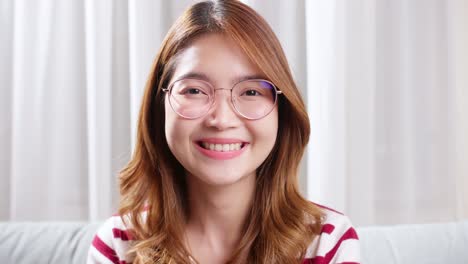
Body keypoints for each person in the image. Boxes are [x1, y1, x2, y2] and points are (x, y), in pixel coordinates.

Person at [87, 0, 360, 263]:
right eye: (194, 90)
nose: (221, 119)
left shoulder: (328, 242)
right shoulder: (118, 244)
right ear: (160, 108)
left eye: (251, 91)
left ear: (283, 112)